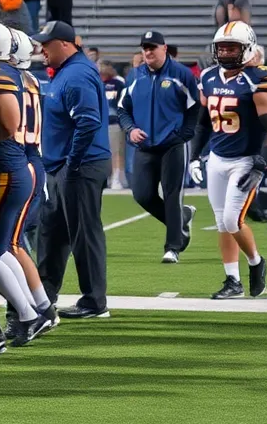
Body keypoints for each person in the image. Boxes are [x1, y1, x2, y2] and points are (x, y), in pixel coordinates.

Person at [0, 21, 53, 344]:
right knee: (8, 245)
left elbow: (8, 124)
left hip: (12, 164)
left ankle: (32, 311)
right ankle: (38, 308)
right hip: (27, 160)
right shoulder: (28, 79)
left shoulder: (1, 76)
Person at [31, 20, 111, 319]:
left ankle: (94, 301)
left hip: (80, 165)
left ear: (64, 44)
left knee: (83, 233)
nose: (42, 50)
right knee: (52, 231)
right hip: (62, 164)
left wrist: (73, 162)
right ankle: (44, 295)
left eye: (46, 44)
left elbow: (88, 121)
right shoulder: (69, 71)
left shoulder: (76, 75)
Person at [187, 23, 267, 300]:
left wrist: (260, 164)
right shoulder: (208, 77)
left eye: (231, 47)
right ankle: (232, 281)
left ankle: (256, 262)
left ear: (246, 49)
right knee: (222, 222)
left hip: (245, 160)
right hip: (218, 158)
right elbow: (202, 123)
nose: (224, 52)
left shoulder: (256, 79)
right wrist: (196, 156)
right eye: (221, 47)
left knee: (233, 219)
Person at [116, 31, 199, 262]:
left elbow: (195, 108)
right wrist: (130, 129)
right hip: (144, 146)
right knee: (142, 195)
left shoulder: (182, 74)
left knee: (172, 196)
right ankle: (182, 218)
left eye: (153, 47)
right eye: (145, 48)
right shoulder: (134, 76)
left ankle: (173, 247)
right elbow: (123, 109)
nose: (148, 51)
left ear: (164, 48)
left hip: (172, 145)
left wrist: (183, 135)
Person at [101, 62, 126, 190]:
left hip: (114, 122)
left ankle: (117, 178)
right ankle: (107, 177)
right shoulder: (97, 85)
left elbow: (123, 104)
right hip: (100, 123)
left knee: (117, 152)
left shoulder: (118, 84)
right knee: (103, 153)